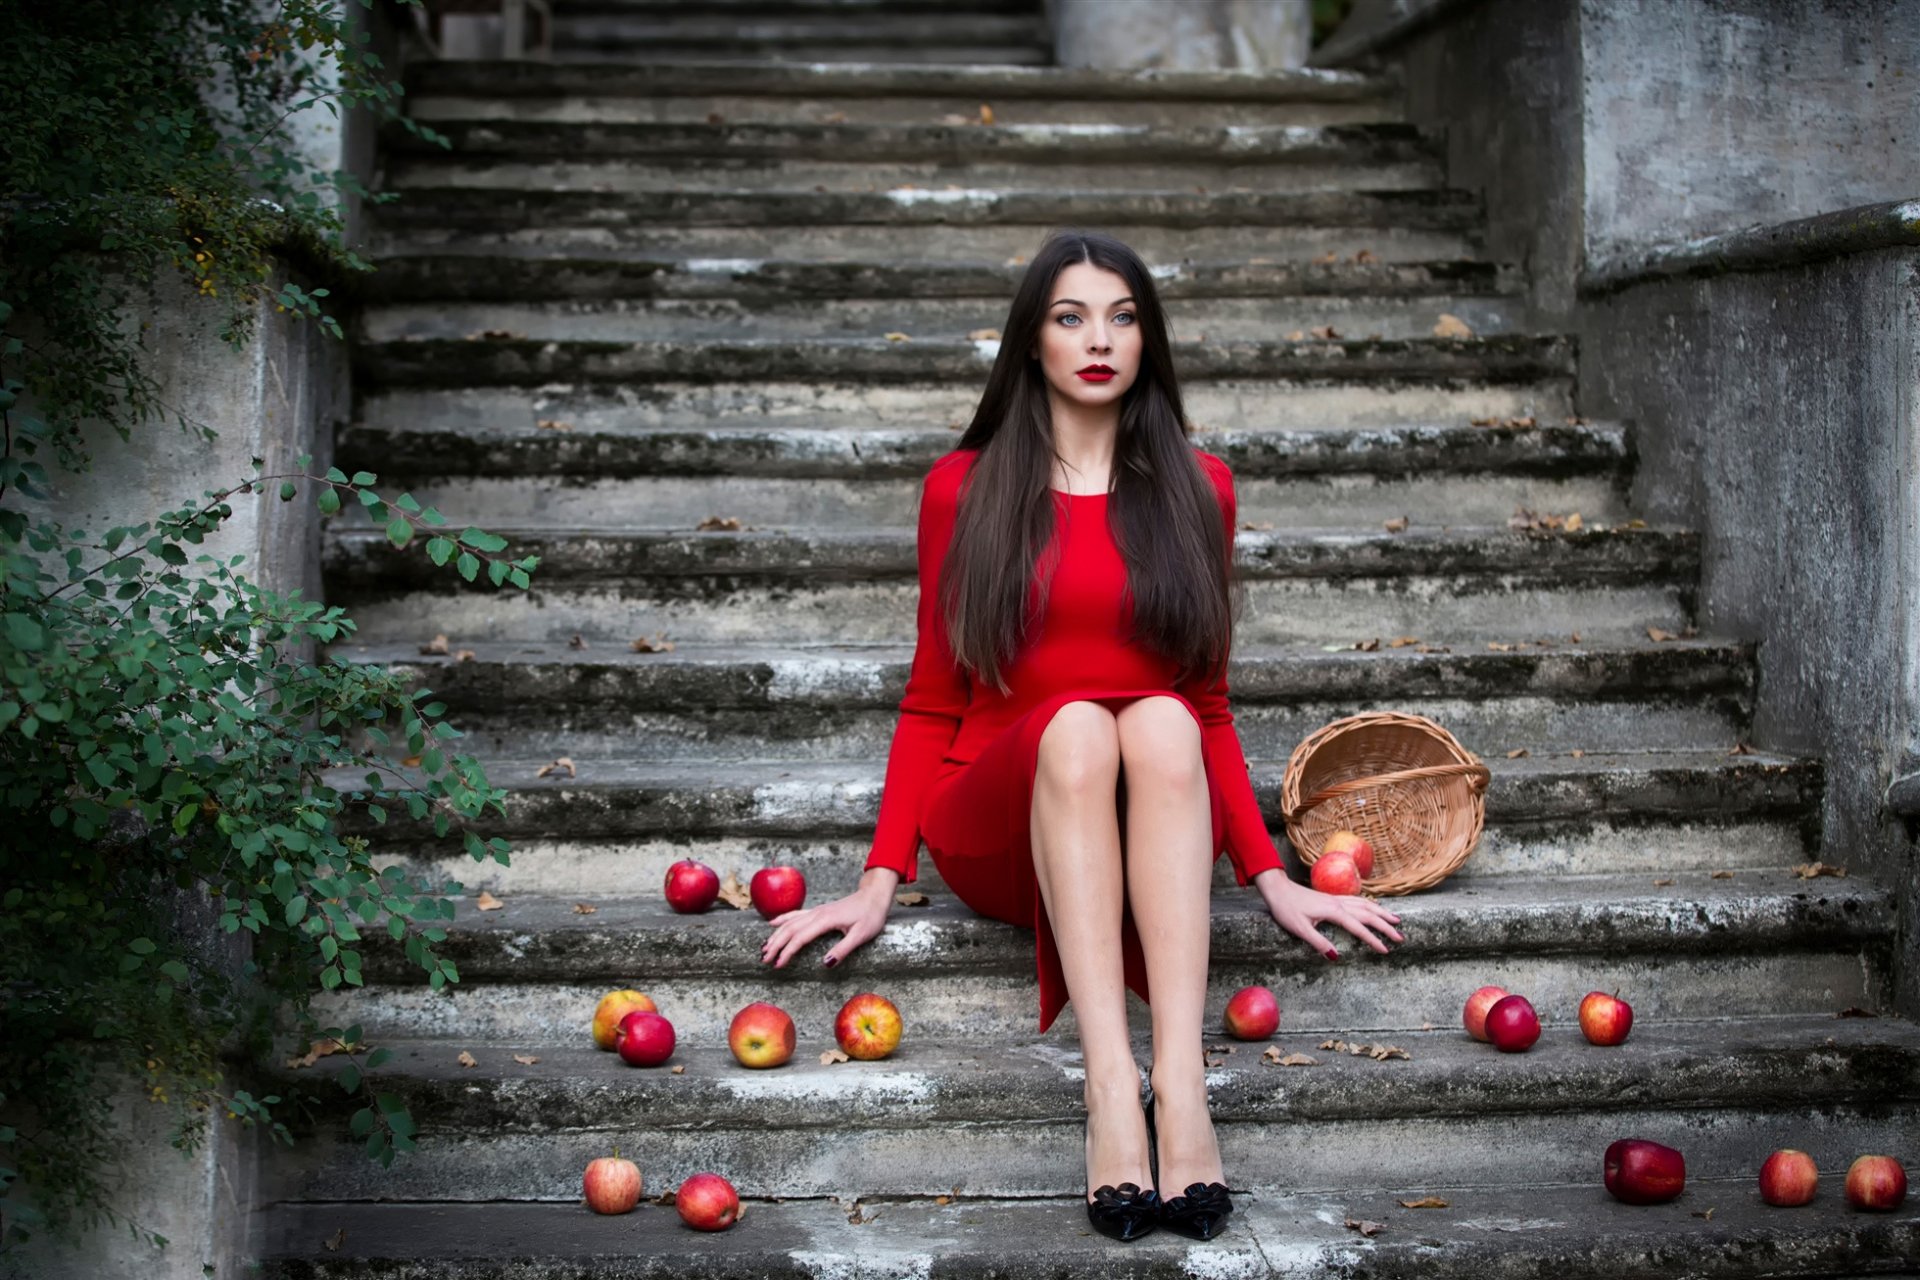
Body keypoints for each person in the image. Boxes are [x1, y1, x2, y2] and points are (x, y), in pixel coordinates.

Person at [758, 229, 1405, 1242]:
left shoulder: (1200, 488)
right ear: (1033, 342)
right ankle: (1113, 1083)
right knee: (1072, 726)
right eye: (1070, 317)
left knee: (1154, 712)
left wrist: (1267, 869)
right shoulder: (961, 490)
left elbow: (1210, 703)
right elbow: (933, 698)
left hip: (1142, 808)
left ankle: (1180, 1084)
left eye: (1122, 316)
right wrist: (881, 874)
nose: (1098, 338)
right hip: (999, 816)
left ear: (1147, 341)